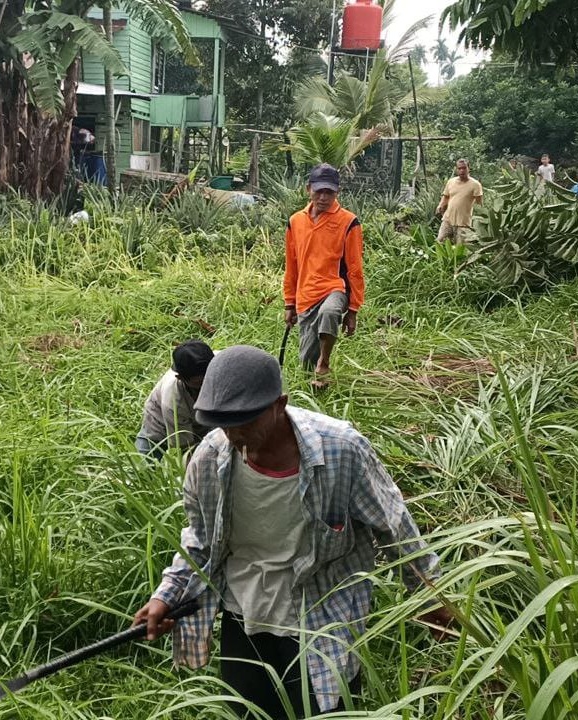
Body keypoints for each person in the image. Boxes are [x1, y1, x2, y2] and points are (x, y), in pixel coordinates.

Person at [133, 345, 453, 719]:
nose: (233, 436)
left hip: (320, 613)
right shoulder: (209, 459)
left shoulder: (340, 451)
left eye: (245, 422)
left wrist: (432, 602)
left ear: (279, 404)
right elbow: (201, 540)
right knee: (249, 711)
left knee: (321, 712)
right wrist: (167, 595)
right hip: (244, 612)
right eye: (223, 424)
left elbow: (395, 528)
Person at [283, 163, 364, 385]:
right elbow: (292, 265)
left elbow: (355, 268)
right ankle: (317, 385)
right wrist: (289, 303)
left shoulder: (348, 221)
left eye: (329, 192)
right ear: (308, 189)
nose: (324, 197)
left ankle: (324, 362)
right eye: (319, 191)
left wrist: (353, 309)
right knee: (306, 365)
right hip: (305, 295)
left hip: (335, 288)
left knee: (329, 313)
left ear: (337, 192)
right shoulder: (295, 221)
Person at [135, 340, 215, 460]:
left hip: (207, 418)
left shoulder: (226, 365)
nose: (206, 385)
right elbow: (187, 450)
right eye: (200, 382)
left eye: (210, 377)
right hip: (160, 422)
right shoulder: (173, 401)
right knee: (143, 467)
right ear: (181, 378)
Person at [436, 158, 483, 244]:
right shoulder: (451, 182)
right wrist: (440, 205)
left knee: (461, 248)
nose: (462, 170)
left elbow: (479, 204)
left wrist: (479, 221)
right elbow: (446, 197)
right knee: (440, 242)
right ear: (456, 169)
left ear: (469, 168)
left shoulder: (475, 185)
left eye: (464, 168)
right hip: (448, 219)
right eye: (459, 168)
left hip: (464, 223)